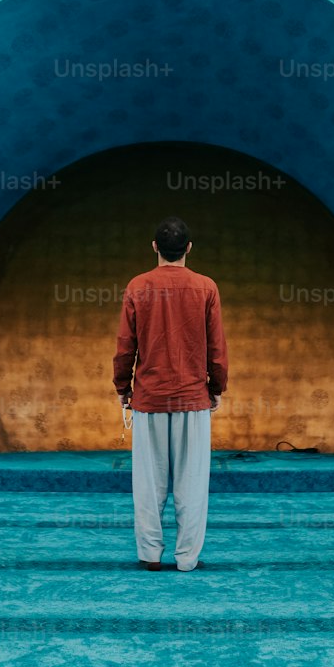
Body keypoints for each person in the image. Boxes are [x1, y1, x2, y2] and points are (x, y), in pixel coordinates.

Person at [112, 216, 228, 572]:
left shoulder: (137, 286)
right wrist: (217, 388)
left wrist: (123, 388)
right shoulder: (206, 288)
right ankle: (187, 559)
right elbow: (216, 348)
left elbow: (125, 345)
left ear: (154, 247)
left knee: (148, 484)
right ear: (189, 249)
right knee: (192, 484)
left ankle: (150, 555)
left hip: (149, 399)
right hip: (192, 400)